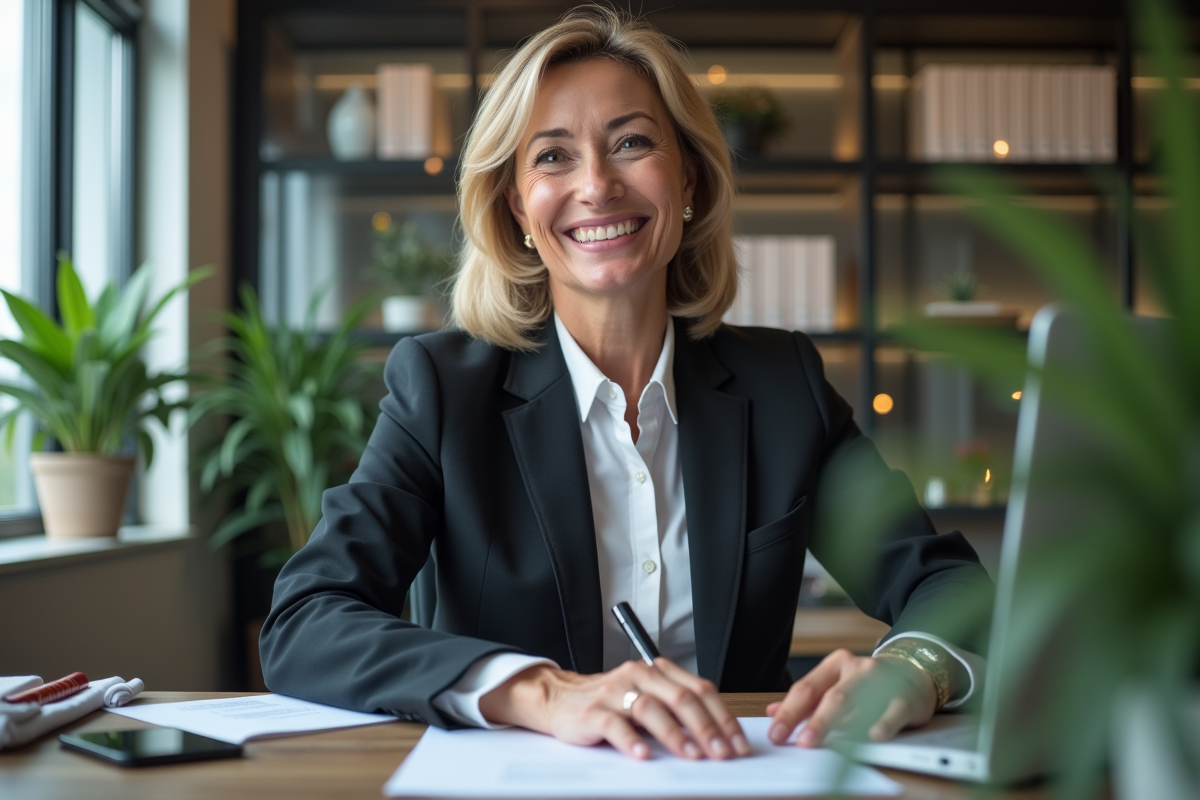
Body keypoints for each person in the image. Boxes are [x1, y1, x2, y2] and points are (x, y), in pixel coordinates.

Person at [260, 5, 993, 762]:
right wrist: (542, 692)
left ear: (690, 182)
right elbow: (308, 620)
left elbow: (946, 586)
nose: (597, 185)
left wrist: (914, 670)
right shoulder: (443, 388)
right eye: (551, 158)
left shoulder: (784, 386)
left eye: (633, 143)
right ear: (516, 208)